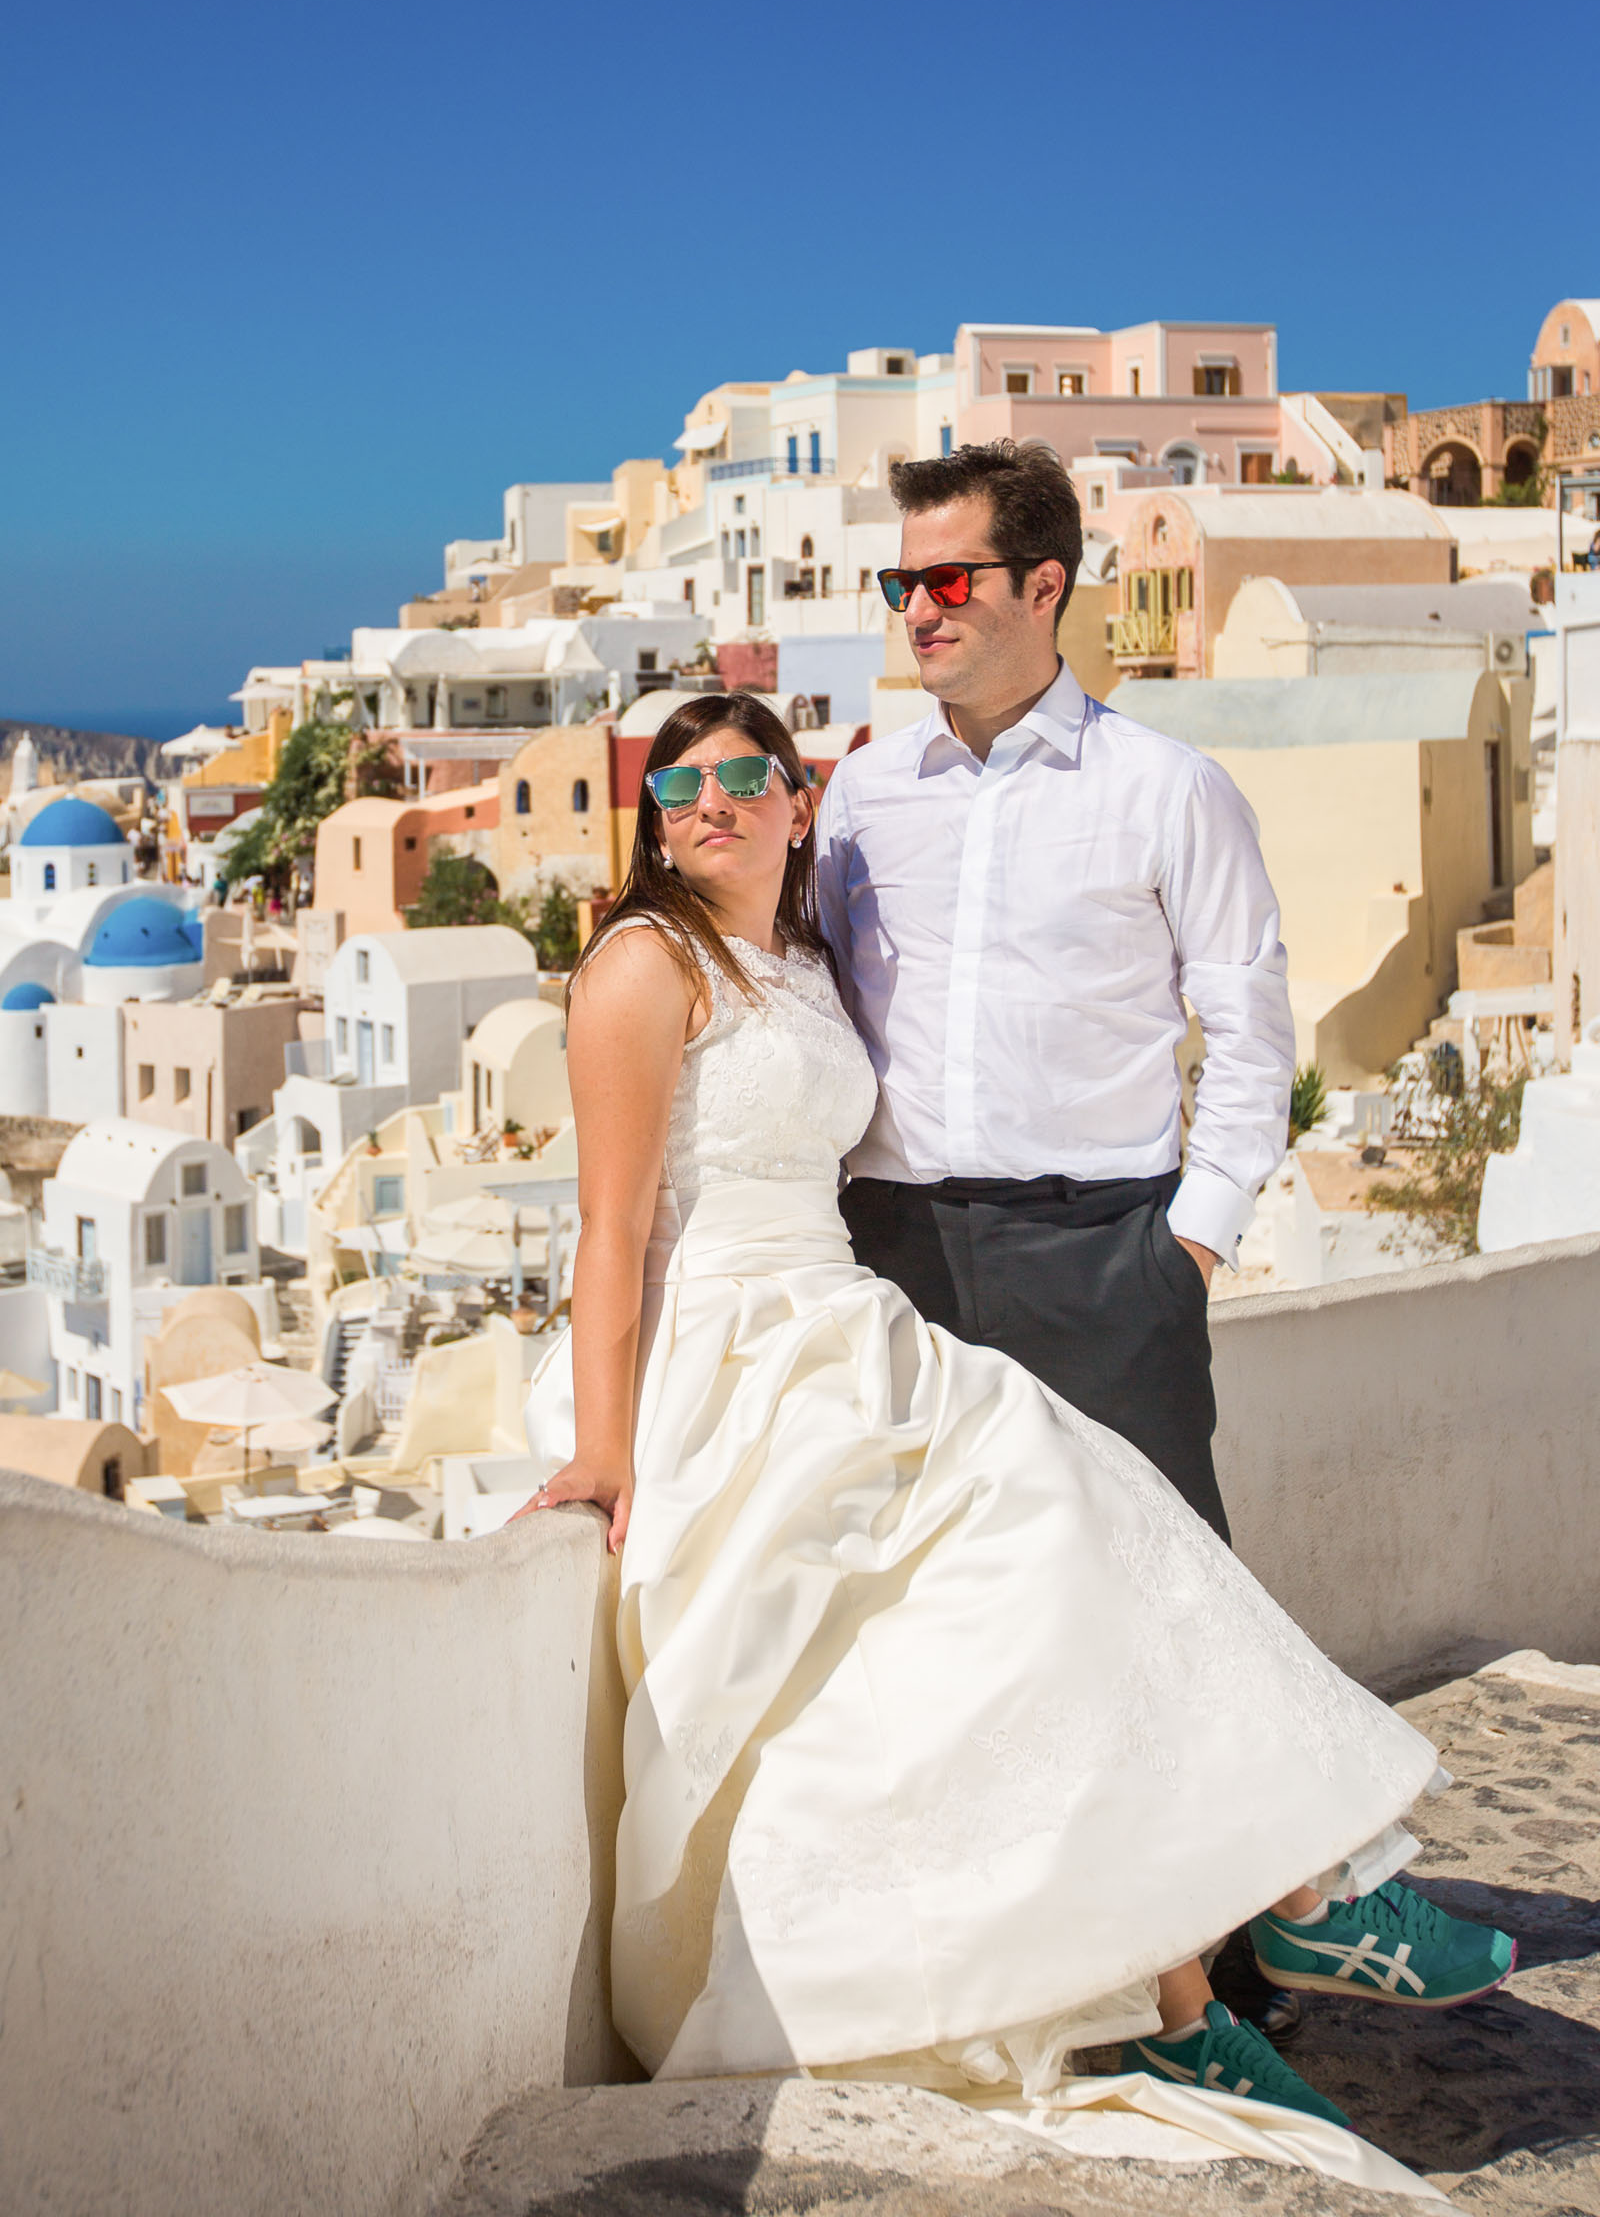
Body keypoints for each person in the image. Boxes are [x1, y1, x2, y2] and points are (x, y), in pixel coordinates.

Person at [517, 689, 1499, 2187]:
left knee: (1082, 1561)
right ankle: (1251, 1949)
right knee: (1054, 1537)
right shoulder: (644, 964)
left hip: (849, 1330)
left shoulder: (801, 958)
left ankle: (1231, 1954)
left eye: (742, 777)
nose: (708, 804)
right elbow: (610, 1230)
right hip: (735, 1356)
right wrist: (604, 1452)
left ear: (799, 802)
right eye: (678, 785)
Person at [815, 437, 1513, 2030]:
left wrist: (1187, 1246)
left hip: (1103, 1256)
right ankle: (1084, 1980)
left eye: (948, 579)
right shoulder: (861, 794)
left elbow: (1250, 1027)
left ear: (1043, 586)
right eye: (901, 581)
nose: (918, 608)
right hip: (897, 1260)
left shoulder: (1164, 788)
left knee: (1166, 1612)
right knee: (956, 1624)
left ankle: (1254, 1959)